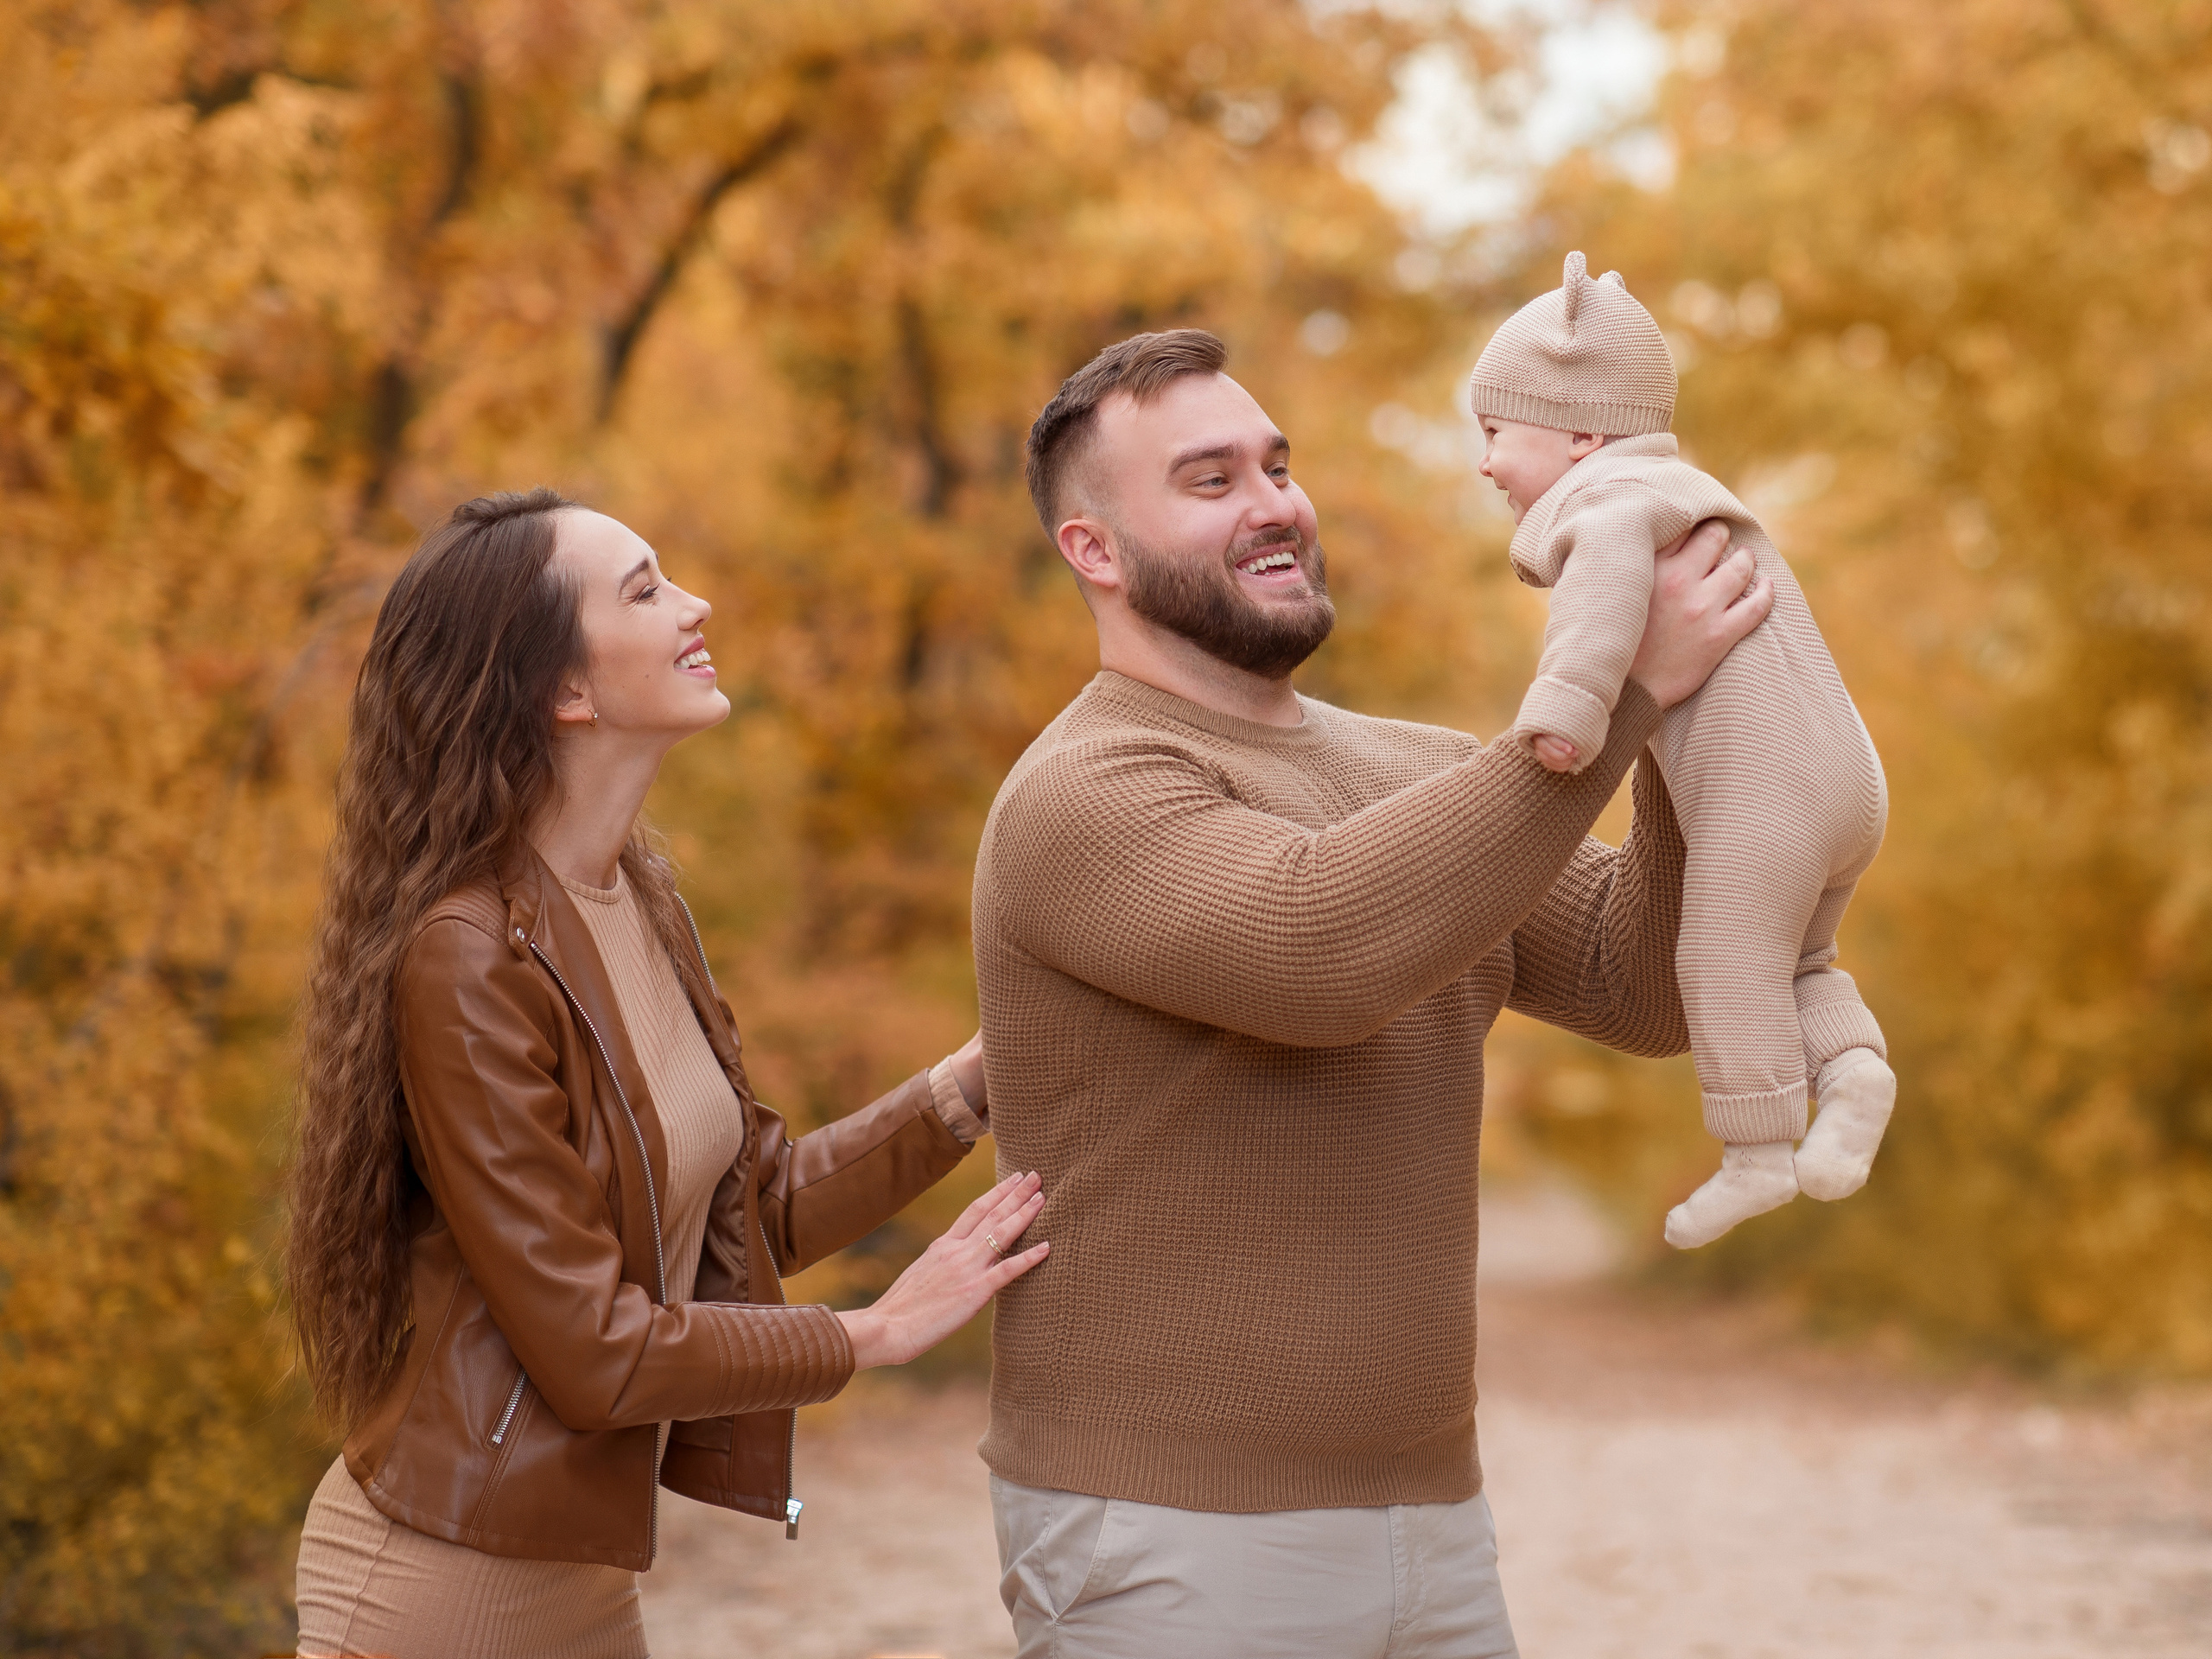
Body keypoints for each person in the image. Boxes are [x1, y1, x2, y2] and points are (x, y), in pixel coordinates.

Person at [969, 328, 1771, 1656]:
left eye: (1279, 466)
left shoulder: (1422, 768)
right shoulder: (1085, 791)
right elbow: (1320, 947)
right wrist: (1611, 697)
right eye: (1212, 480)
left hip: (1434, 1515)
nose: (1278, 504)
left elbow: (1642, 986)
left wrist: (1690, 721)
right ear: (1095, 552)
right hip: (1170, 1536)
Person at [286, 489, 1048, 1659]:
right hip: (440, 1590)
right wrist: (868, 1336)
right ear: (566, 693)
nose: (696, 605)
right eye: (645, 589)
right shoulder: (467, 958)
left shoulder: (640, 906)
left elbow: (753, 1203)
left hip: (578, 1581)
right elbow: (593, 1348)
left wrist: (967, 1087)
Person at [1470, 252, 1894, 1249]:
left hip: (1771, 796)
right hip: (1845, 782)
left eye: (1494, 433)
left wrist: (1567, 709)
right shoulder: (1678, 489)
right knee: (1797, 956)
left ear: (1580, 430)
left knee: (1718, 955)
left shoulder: (1608, 500)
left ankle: (1756, 1155)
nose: (1484, 463)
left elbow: (1605, 597)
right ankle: (1853, 1071)